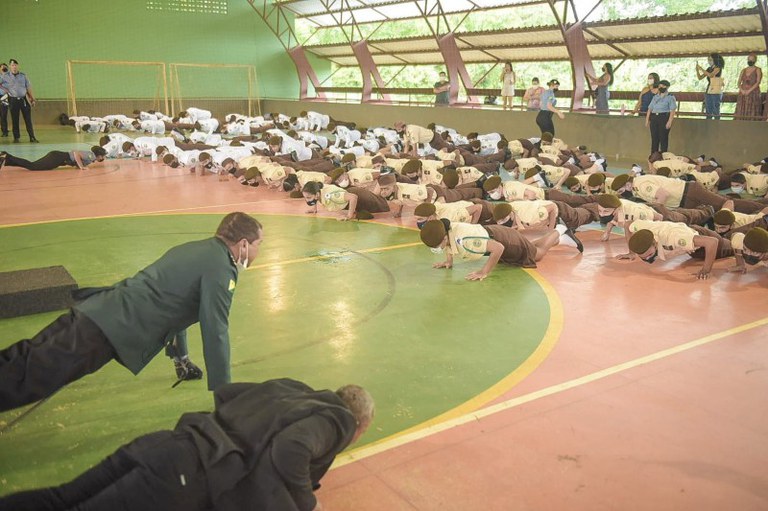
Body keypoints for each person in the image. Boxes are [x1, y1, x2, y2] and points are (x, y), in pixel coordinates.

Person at [0, 212, 263, 412]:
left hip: (97, 309)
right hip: (110, 329)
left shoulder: (196, 249)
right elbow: (215, 330)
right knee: (31, 377)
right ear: (243, 244)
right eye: (258, 245)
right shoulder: (221, 269)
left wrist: (180, 358)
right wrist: (224, 394)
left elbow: (176, 308)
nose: (258, 252)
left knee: (24, 356)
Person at [0, 378, 374, 511]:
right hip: (181, 477)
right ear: (359, 426)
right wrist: (307, 502)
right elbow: (291, 450)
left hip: (167, 443)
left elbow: (228, 393)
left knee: (62, 498)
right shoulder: (338, 421)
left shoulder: (293, 389)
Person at [418, 218, 568, 281]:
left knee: (537, 254)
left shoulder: (466, 240)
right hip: (494, 233)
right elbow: (449, 246)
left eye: (438, 246)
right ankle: (561, 240)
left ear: (444, 238)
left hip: (505, 240)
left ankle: (560, 229)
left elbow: (498, 248)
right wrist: (448, 261)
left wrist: (484, 272)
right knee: (530, 246)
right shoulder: (446, 229)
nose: (438, 248)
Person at [0, 59, 38, 143]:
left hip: (24, 99)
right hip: (13, 100)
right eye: (12, 65)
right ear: (10, 66)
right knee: (15, 119)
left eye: (15, 65)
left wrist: (32, 99)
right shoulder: (5, 76)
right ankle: (16, 138)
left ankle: (32, 137)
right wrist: (5, 90)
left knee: (28, 119)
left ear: (18, 66)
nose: (14, 67)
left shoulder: (23, 76)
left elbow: (28, 88)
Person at [0, 146, 106, 171]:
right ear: (98, 154)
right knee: (33, 166)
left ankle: (6, 160)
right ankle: (7, 156)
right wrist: (82, 167)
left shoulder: (91, 158)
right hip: (58, 158)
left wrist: (80, 166)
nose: (103, 158)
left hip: (57, 157)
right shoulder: (91, 155)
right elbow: (76, 153)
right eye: (102, 156)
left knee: (32, 165)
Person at [645, 80, 676, 154]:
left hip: (664, 117)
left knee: (663, 139)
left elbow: (672, 110)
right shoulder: (655, 97)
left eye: (662, 86)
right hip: (654, 117)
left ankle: (663, 156)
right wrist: (647, 120)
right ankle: (653, 157)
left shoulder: (670, 97)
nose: (661, 87)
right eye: (660, 86)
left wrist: (670, 121)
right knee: (654, 139)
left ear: (667, 87)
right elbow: (650, 108)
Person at [696, 53, 725, 120]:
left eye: (710, 59)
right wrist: (697, 70)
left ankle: (716, 124)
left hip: (716, 90)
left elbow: (711, 75)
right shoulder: (709, 68)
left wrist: (701, 69)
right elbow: (700, 77)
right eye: (708, 59)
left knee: (715, 109)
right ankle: (708, 123)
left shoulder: (718, 68)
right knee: (708, 108)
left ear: (715, 60)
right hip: (709, 89)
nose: (709, 61)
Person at [734, 53, 762, 121]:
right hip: (743, 93)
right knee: (741, 109)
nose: (750, 61)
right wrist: (742, 90)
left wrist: (749, 90)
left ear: (755, 60)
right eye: (749, 59)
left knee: (752, 109)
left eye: (752, 60)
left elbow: (758, 82)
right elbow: (738, 82)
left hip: (753, 93)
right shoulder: (743, 70)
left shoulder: (758, 70)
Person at [0, 62, 8, 137]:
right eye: (3, 67)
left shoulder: (8, 76)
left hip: (5, 97)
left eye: (5, 68)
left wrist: (3, 73)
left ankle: (5, 131)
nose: (4, 69)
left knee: (3, 114)